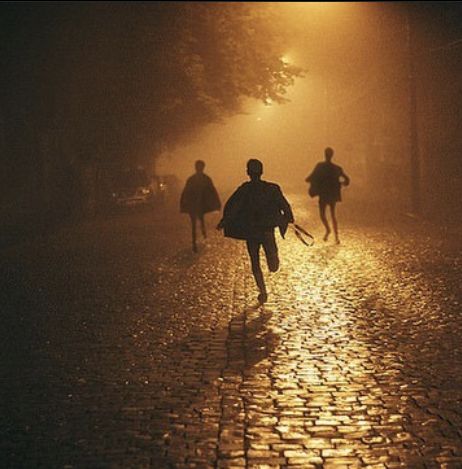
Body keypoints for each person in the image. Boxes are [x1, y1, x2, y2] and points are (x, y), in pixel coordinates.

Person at [217, 159, 294, 304]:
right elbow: (284, 204)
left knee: (255, 262)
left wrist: (225, 221)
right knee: (272, 262)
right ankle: (267, 281)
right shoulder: (272, 188)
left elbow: (234, 207)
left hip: (252, 232)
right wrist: (288, 217)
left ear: (248, 172)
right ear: (262, 171)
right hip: (266, 231)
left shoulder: (244, 190)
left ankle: (262, 290)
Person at [306, 147, 350, 244]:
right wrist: (341, 184)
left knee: (322, 214)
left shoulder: (320, 166)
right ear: (332, 155)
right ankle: (336, 236)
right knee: (333, 215)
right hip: (333, 194)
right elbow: (347, 180)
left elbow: (311, 177)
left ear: (325, 154)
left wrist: (311, 181)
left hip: (323, 194)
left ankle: (328, 229)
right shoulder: (337, 168)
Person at [180, 160, 221, 252]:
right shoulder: (206, 179)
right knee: (199, 219)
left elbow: (185, 192)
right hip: (200, 204)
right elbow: (212, 191)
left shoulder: (192, 179)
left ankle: (196, 239)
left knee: (194, 223)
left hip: (194, 204)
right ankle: (202, 235)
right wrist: (217, 203)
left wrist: (183, 203)